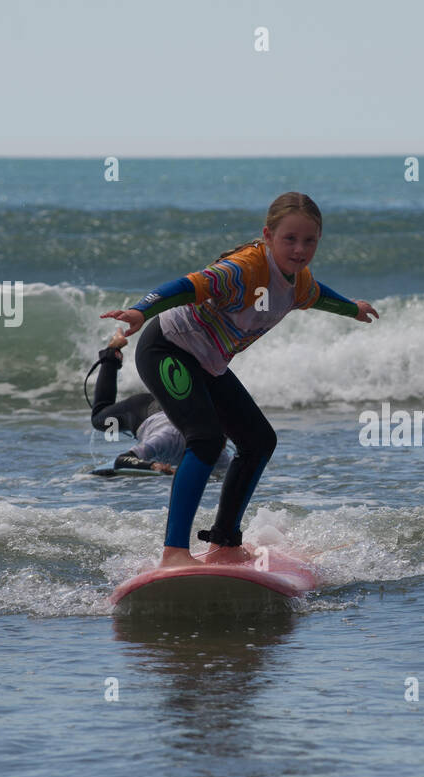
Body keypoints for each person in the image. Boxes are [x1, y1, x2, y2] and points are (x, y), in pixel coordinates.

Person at [101, 192, 377, 568]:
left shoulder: (297, 282)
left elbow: (316, 296)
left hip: (209, 362)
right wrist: (140, 309)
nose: (299, 249)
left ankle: (225, 542)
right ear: (268, 235)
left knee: (259, 441)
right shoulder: (244, 269)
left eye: (309, 240)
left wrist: (352, 309)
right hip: (168, 349)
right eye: (289, 239)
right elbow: (186, 285)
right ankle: (174, 553)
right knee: (206, 439)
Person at [87, 330, 186, 474]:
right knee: (99, 418)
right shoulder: (167, 437)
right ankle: (112, 351)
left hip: (166, 408)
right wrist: (153, 466)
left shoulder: (215, 448)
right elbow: (122, 460)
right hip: (139, 410)